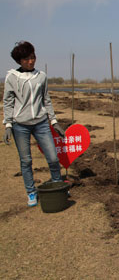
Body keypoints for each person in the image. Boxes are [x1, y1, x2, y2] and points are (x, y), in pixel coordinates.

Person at [3, 41, 65, 207]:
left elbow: (46, 100)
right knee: (26, 161)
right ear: (19, 61)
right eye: (26, 59)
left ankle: (58, 183)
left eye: (33, 57)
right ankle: (31, 192)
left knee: (52, 157)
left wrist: (54, 121)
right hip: (20, 125)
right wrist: (8, 124)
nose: (31, 61)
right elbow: (8, 102)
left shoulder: (41, 76)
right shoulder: (12, 77)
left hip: (41, 123)